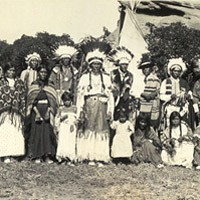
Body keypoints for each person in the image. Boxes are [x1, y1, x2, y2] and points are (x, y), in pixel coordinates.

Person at [76, 39, 114, 166]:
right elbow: (80, 96)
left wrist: (110, 110)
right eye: (94, 64)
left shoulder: (107, 78)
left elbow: (110, 96)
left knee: (101, 130)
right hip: (89, 105)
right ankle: (89, 156)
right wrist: (80, 110)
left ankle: (100, 157)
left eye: (98, 64)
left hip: (102, 106)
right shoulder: (85, 78)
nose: (96, 66)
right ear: (90, 65)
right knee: (89, 129)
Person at [26, 65, 59, 163]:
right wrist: (37, 113)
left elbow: (53, 101)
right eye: (41, 72)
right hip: (36, 111)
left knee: (47, 133)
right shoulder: (34, 85)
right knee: (37, 132)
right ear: (38, 73)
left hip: (47, 111)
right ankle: (37, 155)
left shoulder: (50, 85)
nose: (43, 74)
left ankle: (47, 155)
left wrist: (49, 112)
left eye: (45, 72)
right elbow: (31, 101)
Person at [0, 62, 26, 163]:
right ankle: (5, 155)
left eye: (13, 70)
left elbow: (22, 96)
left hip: (16, 113)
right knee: (5, 132)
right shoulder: (1, 82)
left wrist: (20, 108)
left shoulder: (19, 82)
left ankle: (14, 154)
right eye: (10, 70)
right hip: (4, 113)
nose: (12, 72)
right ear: (6, 72)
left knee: (15, 131)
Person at [160, 58, 191, 128]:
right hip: (170, 107)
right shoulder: (165, 82)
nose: (176, 73)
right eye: (175, 71)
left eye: (178, 71)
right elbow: (161, 96)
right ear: (171, 71)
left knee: (181, 126)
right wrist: (170, 97)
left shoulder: (184, 82)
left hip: (181, 108)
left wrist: (188, 96)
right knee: (169, 125)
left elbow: (189, 92)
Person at [109, 46, 134, 120]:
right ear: (119, 65)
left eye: (126, 65)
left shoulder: (130, 75)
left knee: (124, 117)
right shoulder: (113, 73)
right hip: (113, 98)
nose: (125, 66)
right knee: (113, 117)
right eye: (123, 64)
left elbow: (129, 87)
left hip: (125, 100)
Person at [56, 91, 77, 165]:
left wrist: (74, 123)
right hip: (63, 127)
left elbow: (77, 118)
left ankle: (70, 158)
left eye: (68, 100)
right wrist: (61, 118)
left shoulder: (74, 108)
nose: (67, 102)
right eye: (65, 100)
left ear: (71, 100)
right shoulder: (61, 108)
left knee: (71, 142)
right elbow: (57, 119)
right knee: (63, 141)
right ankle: (62, 158)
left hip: (71, 127)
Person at [139, 58, 161, 128]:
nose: (145, 70)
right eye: (144, 68)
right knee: (143, 123)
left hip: (152, 104)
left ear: (150, 69)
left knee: (151, 124)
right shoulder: (141, 79)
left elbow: (157, 91)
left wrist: (148, 95)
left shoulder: (154, 78)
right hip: (143, 104)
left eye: (147, 68)